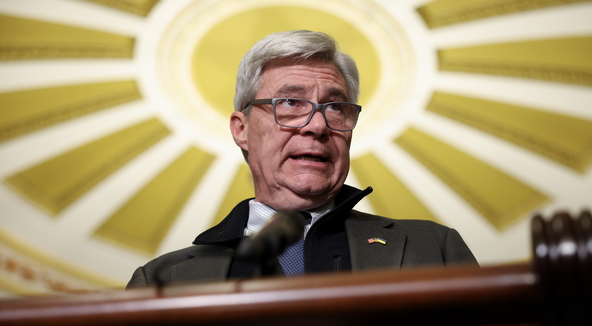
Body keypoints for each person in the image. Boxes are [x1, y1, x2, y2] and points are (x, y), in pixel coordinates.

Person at [127, 30, 476, 288]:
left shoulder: (435, 249)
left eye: (336, 107)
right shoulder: (163, 281)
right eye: (291, 104)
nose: (319, 125)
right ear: (241, 129)